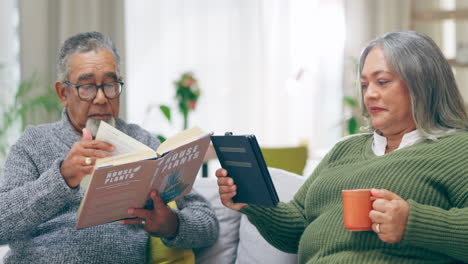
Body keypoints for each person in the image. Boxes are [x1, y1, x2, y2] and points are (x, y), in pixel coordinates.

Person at [216, 30, 468, 263]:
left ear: (422, 84)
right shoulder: (344, 150)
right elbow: (297, 229)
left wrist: (413, 223)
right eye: (364, 85)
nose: (369, 94)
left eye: (382, 82)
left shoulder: (458, 149)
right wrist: (253, 202)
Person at [0, 31, 219, 263]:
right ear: (63, 93)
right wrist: (61, 178)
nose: (102, 98)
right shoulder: (34, 143)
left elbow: (208, 222)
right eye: (87, 87)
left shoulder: (142, 141)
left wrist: (171, 225)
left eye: (110, 84)